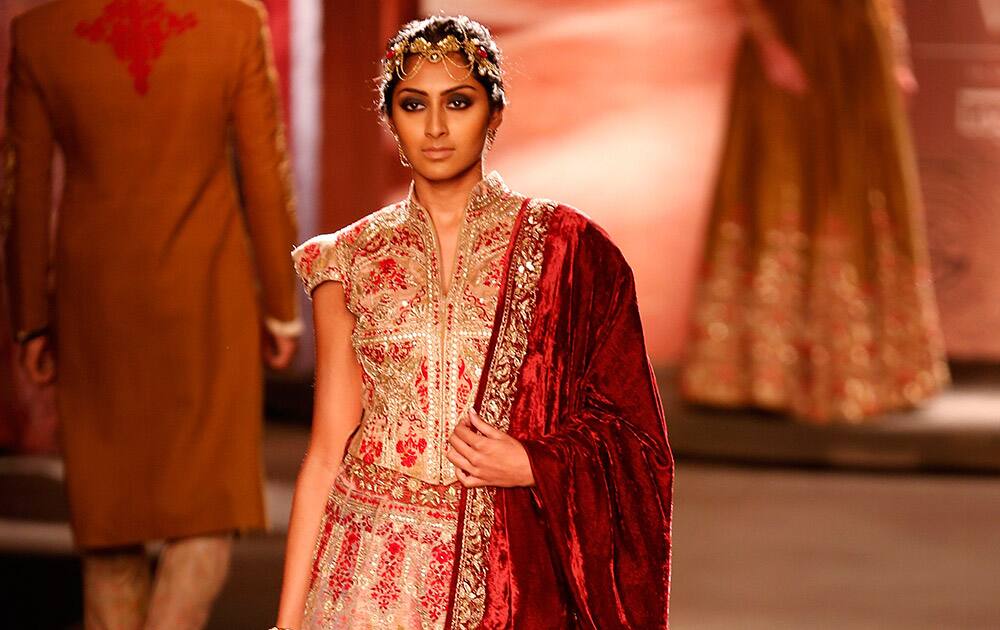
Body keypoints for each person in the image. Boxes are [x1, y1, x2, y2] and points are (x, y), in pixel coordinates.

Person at [276, 15, 674, 630]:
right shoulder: (345, 259)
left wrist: (535, 464)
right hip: (364, 571)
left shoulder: (569, 251)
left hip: (509, 570)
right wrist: (286, 622)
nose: (435, 128)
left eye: (458, 102)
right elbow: (327, 451)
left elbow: (637, 439)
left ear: (494, 113)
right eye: (413, 105)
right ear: (390, 120)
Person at [4, 0, 300, 627]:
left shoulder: (41, 33)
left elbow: (24, 186)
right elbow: (263, 168)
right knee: (206, 518)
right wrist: (280, 307)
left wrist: (30, 314)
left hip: (96, 306)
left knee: (110, 535)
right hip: (207, 297)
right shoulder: (233, 23)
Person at [680, 0, 949, 423]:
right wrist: (770, 44)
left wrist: (897, 55)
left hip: (857, 46)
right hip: (792, 33)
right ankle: (762, 374)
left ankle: (864, 368)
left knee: (857, 195)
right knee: (778, 187)